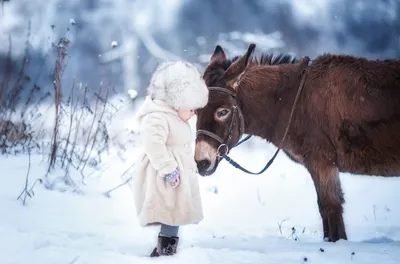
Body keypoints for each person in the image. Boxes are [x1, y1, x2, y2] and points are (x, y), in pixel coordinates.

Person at [131, 60, 208, 257]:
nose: (193, 114)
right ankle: (165, 251)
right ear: (177, 101)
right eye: (192, 109)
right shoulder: (157, 117)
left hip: (177, 176)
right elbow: (153, 144)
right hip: (163, 176)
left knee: (175, 213)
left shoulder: (174, 116)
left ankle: (166, 249)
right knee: (170, 212)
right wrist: (168, 167)